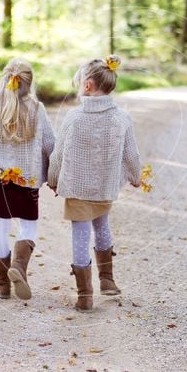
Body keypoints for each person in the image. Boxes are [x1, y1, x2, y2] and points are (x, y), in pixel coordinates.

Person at [48, 55, 142, 311]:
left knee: (80, 235)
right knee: (102, 226)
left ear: (88, 85)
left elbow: (58, 153)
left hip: (77, 188)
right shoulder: (121, 117)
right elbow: (131, 154)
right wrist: (136, 176)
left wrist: (53, 179)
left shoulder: (74, 117)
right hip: (104, 187)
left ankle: (85, 296)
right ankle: (107, 280)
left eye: (79, 82)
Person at [0, 58, 54, 301]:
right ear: (30, 84)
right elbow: (51, 146)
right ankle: (19, 266)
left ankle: (3, 284)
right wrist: (53, 176)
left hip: (2, 182)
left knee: (0, 227)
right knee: (28, 226)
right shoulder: (37, 110)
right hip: (27, 183)